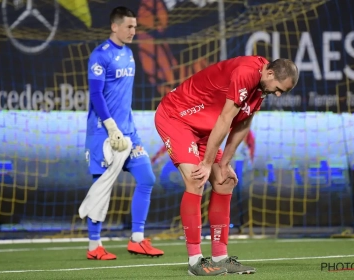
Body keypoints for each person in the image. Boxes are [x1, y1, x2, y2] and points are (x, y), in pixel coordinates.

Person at [155, 56, 298, 275]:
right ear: (269, 74)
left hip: (204, 130)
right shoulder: (245, 73)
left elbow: (243, 123)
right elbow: (225, 119)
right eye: (278, 89)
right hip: (176, 117)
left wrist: (224, 163)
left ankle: (220, 257)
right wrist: (206, 163)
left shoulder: (262, 85)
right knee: (196, 178)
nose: (278, 94)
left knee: (224, 181)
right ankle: (195, 261)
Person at [84, 6, 163, 260]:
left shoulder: (129, 54)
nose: (133, 31)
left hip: (129, 134)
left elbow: (122, 98)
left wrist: (126, 127)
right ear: (114, 27)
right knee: (101, 188)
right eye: (129, 26)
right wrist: (110, 125)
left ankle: (137, 239)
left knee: (147, 177)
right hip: (103, 134)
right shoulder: (100, 56)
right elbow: (96, 95)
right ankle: (94, 246)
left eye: (135, 27)